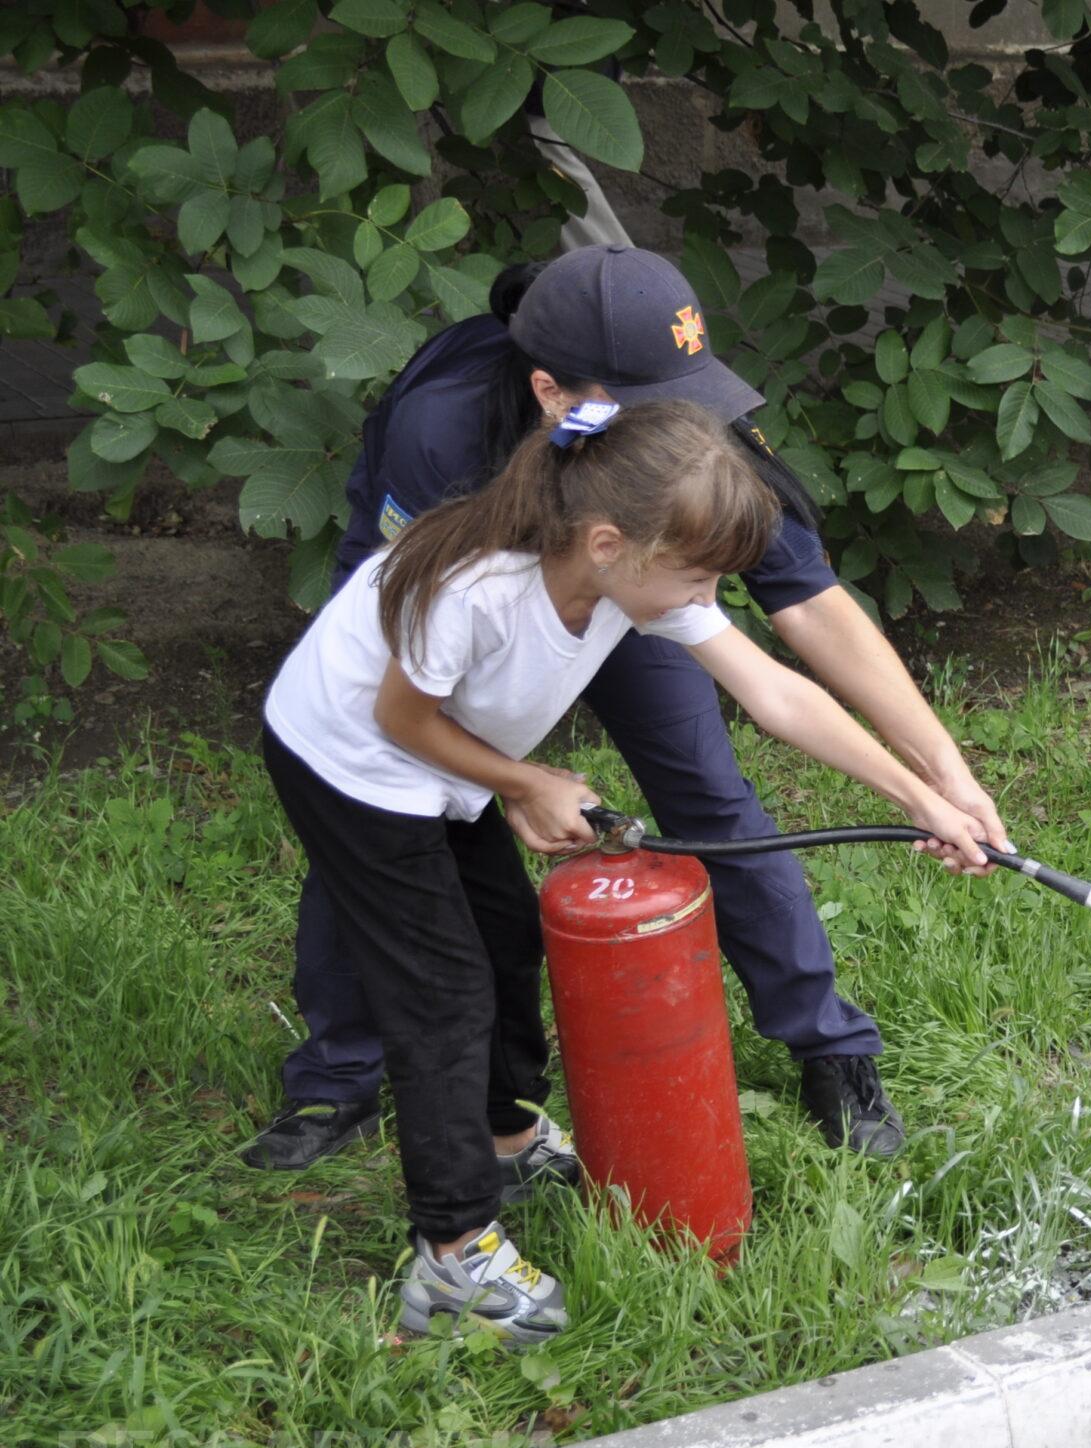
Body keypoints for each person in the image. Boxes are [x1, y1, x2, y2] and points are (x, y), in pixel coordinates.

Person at [245, 246, 1008, 1171]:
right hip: (454, 622)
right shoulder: (441, 432)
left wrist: (938, 779)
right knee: (382, 813)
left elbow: (802, 619)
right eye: (653, 406)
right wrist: (516, 779)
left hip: (633, 590)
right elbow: (394, 705)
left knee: (708, 793)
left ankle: (827, 1045)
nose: (688, 428)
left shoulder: (687, 453)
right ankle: (338, 1076)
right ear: (554, 396)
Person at [262, 399, 990, 1343]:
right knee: (440, 994)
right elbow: (400, 722)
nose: (705, 599)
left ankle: (509, 1138)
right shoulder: (476, 586)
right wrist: (528, 783)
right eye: (696, 577)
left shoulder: (631, 574)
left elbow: (775, 693)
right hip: (349, 763)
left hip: (448, 759)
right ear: (609, 542)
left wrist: (923, 795)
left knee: (508, 940)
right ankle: (452, 1257)